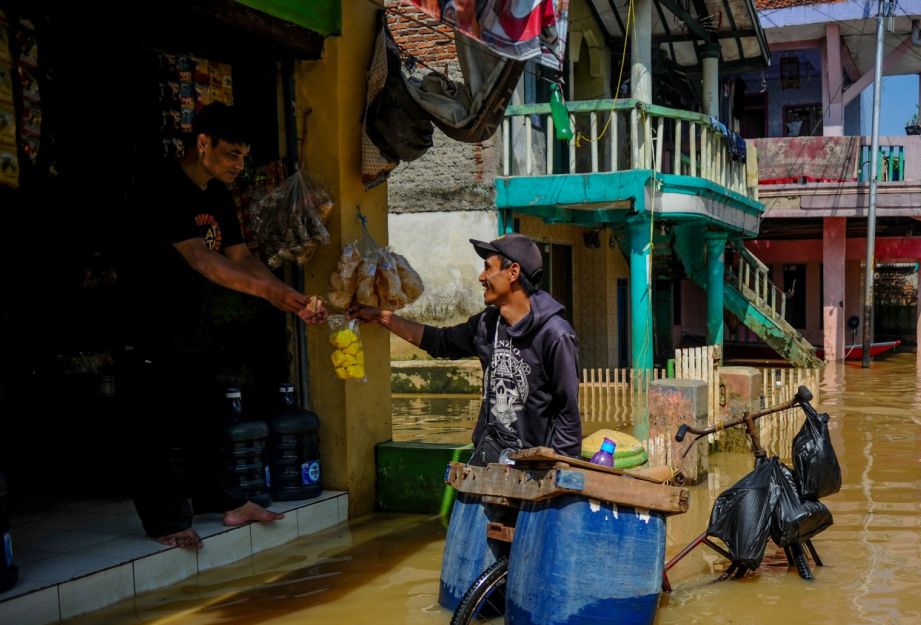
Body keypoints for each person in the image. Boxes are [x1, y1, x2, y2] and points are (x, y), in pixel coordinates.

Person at [119, 103, 326, 550]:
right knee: (154, 426)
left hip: (193, 323)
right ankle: (165, 522)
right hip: (146, 324)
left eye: (243, 156)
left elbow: (239, 256)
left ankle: (228, 503)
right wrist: (268, 294)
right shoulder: (163, 187)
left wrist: (285, 297)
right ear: (202, 143)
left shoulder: (216, 194)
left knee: (207, 417)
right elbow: (201, 257)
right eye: (231, 154)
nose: (239, 165)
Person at [350, 233, 582, 463]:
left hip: (533, 466)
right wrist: (383, 317)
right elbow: (441, 342)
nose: (482, 277)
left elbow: (568, 413)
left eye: (488, 268)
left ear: (513, 273)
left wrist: (557, 473)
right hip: (489, 457)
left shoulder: (555, 335)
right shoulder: (487, 324)